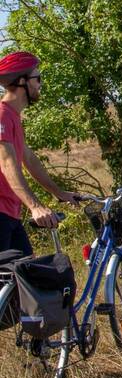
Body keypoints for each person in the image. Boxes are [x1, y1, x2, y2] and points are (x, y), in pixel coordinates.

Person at [0, 51, 79, 256]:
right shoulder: (1, 116)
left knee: (26, 278)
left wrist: (58, 192)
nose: (40, 84)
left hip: (10, 213)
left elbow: (29, 159)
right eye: (38, 78)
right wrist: (35, 206)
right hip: (1, 213)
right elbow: (7, 163)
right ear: (22, 82)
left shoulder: (13, 116)